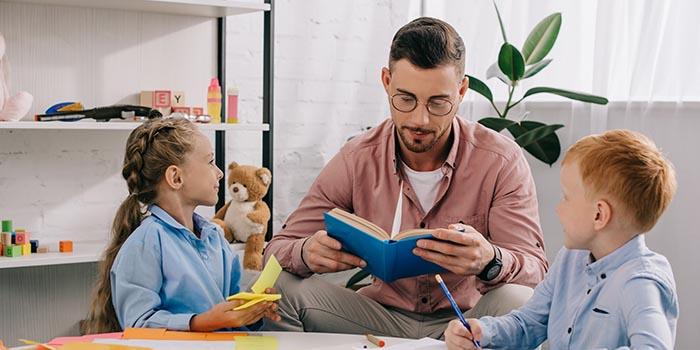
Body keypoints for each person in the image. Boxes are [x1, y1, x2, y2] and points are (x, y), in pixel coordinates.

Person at [263, 17, 548, 339]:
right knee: (278, 286)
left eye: (438, 102)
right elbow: (276, 250)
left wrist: (490, 260)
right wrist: (306, 252)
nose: (420, 118)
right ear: (386, 81)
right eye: (406, 99)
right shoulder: (356, 158)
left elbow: (536, 270)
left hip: (466, 320)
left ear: (462, 90)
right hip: (378, 317)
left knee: (519, 299)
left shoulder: (500, 160)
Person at [445, 129, 679, 349]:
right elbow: (529, 323)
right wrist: (482, 331)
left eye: (566, 198)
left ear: (599, 215)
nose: (558, 209)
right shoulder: (570, 258)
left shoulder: (640, 282)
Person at [84, 117, 280, 333]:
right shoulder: (145, 244)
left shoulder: (216, 238)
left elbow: (229, 316)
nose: (220, 173)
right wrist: (201, 322)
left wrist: (250, 312)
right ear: (175, 177)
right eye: (210, 161)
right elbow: (138, 326)